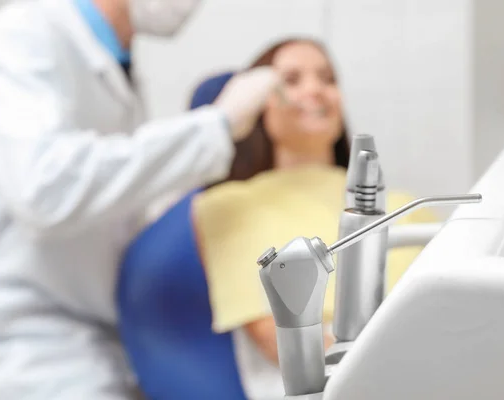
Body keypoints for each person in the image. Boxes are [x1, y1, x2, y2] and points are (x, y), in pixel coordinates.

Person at [0, 0, 282, 398]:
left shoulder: (118, 64)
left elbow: (108, 202)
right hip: (31, 345)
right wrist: (213, 128)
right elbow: (44, 189)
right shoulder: (24, 33)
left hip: (101, 343)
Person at [119, 38, 439, 399]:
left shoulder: (407, 207)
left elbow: (449, 321)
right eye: (291, 80)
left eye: (327, 78)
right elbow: (281, 345)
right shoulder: (226, 208)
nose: (315, 90)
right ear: (259, 107)